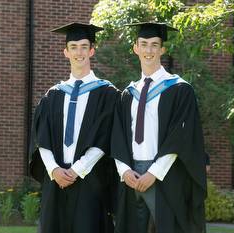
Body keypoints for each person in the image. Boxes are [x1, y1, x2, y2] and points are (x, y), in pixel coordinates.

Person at [111, 22, 208, 233]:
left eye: (154, 45)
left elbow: (180, 137)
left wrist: (153, 173)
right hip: (131, 176)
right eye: (144, 44)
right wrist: (124, 170)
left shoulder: (179, 89)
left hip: (165, 176)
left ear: (162, 49)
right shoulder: (128, 93)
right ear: (135, 48)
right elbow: (117, 135)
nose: (149, 50)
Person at [29, 22, 118, 233]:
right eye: (74, 47)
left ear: (92, 50)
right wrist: (53, 170)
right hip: (56, 180)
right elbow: (42, 138)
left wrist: (77, 170)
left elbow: (105, 137)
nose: (79, 52)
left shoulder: (107, 94)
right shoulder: (53, 95)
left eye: (84, 46)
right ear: (66, 52)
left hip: (90, 180)